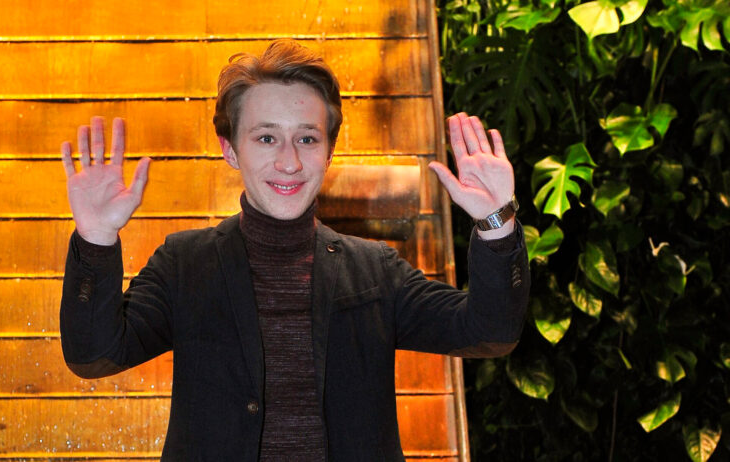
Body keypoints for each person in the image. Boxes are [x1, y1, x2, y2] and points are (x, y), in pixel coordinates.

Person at [59, 39, 529, 461]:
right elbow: (94, 354)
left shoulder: (376, 270)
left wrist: (497, 223)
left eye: (307, 138)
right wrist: (96, 239)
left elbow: (491, 331)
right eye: (266, 138)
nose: (289, 161)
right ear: (230, 149)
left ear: (329, 151)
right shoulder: (185, 265)